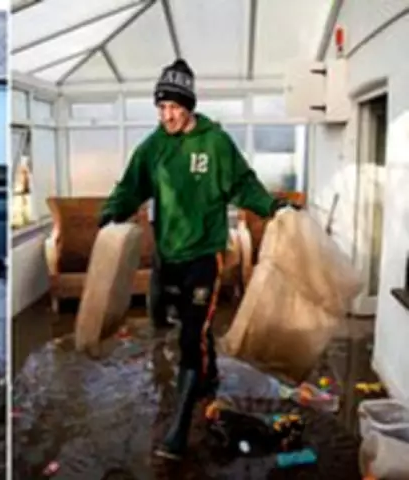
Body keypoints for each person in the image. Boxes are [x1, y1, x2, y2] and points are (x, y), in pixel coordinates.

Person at [99, 58, 299, 461]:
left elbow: (242, 183)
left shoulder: (215, 143)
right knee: (180, 323)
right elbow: (130, 186)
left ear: (189, 105)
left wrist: (271, 207)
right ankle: (207, 375)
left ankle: (178, 428)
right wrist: (111, 213)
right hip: (168, 255)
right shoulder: (154, 147)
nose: (166, 115)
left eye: (173, 107)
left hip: (204, 257)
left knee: (191, 337)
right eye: (160, 108)